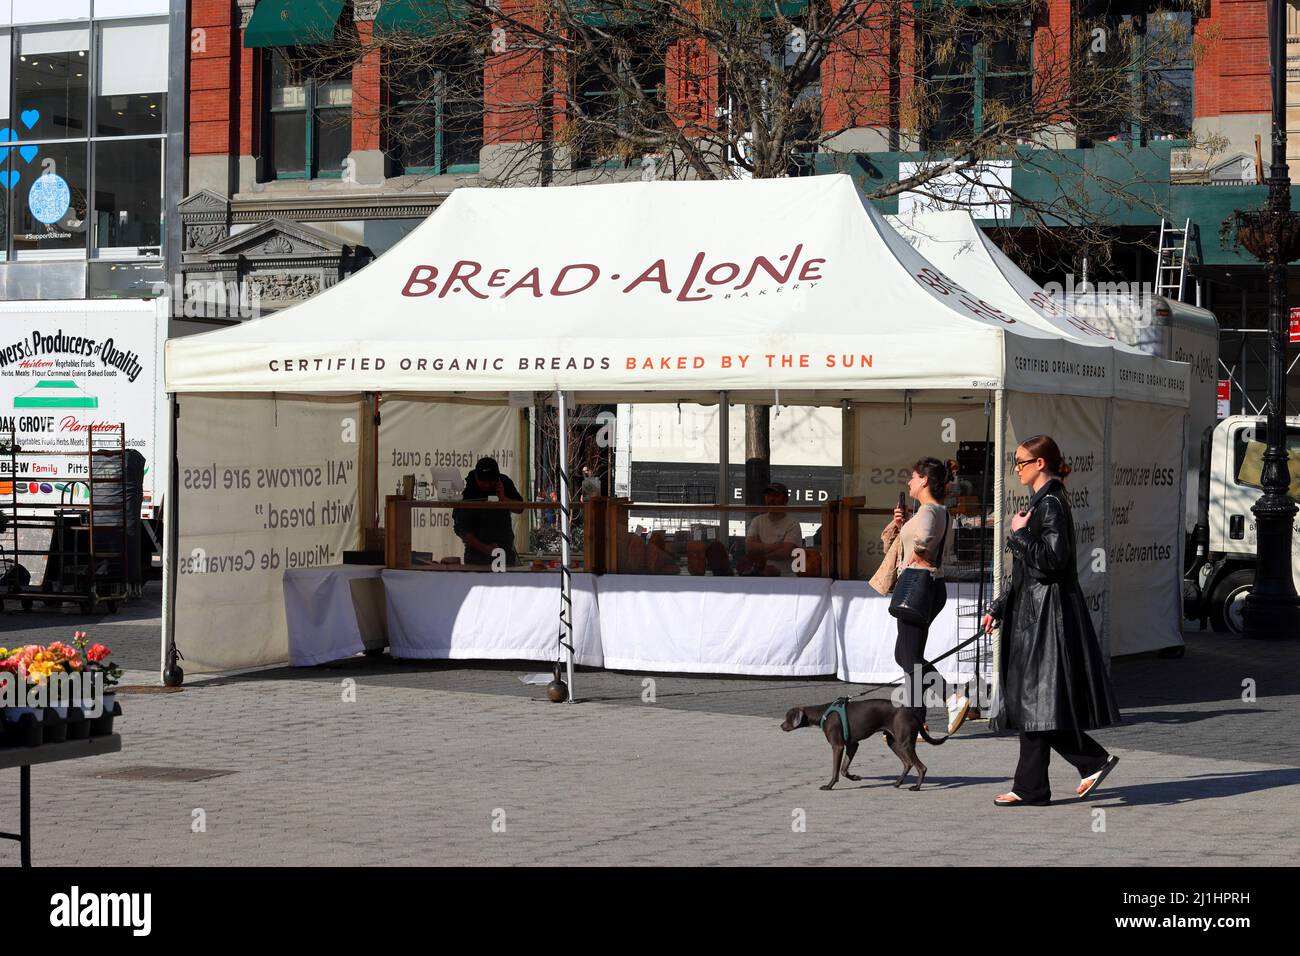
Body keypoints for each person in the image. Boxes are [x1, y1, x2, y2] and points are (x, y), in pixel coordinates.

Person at [982, 435, 1121, 807]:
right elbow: (1029, 572)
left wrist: (1020, 535)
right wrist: (999, 606)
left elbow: (1053, 560)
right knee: (1035, 703)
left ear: (1041, 463)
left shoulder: (1052, 504)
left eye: (1021, 462)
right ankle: (1045, 781)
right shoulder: (1043, 502)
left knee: (1035, 702)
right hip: (1036, 612)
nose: (1017, 469)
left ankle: (1079, 765)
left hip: (1048, 616)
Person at [891, 458, 971, 736]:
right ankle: (917, 720)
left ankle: (951, 697)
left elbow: (923, 542)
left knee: (908, 655)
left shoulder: (927, 511)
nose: (909, 482)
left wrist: (916, 554)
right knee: (907, 654)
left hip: (918, 585)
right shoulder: (938, 511)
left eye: (912, 477)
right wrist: (900, 526)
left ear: (924, 480)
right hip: (930, 586)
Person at [453, 457, 525, 567]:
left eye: (491, 481)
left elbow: (520, 508)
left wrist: (503, 499)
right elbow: (461, 529)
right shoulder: (468, 491)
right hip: (476, 555)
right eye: (483, 481)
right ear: (476, 476)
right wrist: (485, 548)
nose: (487, 485)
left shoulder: (504, 482)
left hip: (505, 552)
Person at [737, 482, 802, 575]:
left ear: (786, 499)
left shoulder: (793, 524)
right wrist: (778, 546)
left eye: (776, 495)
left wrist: (760, 551)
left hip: (785, 577)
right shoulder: (757, 520)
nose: (771, 499)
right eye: (768, 495)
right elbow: (749, 547)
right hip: (759, 574)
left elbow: (785, 552)